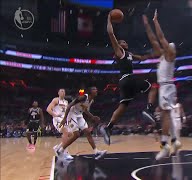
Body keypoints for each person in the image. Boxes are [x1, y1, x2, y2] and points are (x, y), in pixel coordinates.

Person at [101, 11, 159, 145]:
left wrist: (152, 55)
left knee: (123, 107)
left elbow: (142, 58)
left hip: (125, 82)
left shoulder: (129, 54)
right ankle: (149, 109)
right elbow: (111, 34)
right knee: (153, 86)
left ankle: (107, 128)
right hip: (128, 78)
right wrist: (109, 18)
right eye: (123, 42)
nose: (125, 42)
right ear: (119, 45)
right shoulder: (119, 52)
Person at [142, 10, 180, 160]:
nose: (164, 46)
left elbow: (160, 37)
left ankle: (165, 146)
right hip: (165, 88)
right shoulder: (163, 56)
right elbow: (153, 39)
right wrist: (146, 25)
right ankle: (175, 141)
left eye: (167, 46)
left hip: (167, 87)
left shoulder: (170, 55)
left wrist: (155, 21)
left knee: (165, 115)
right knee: (167, 115)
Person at [58, 87, 106, 160]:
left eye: (96, 89)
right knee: (76, 134)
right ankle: (61, 150)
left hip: (79, 115)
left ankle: (96, 152)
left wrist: (92, 117)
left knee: (87, 132)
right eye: (94, 89)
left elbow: (85, 110)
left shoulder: (91, 100)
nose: (96, 90)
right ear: (90, 91)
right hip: (72, 114)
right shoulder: (83, 97)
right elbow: (69, 105)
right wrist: (64, 118)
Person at [46, 88, 73, 158]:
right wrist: (55, 115)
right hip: (57, 119)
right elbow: (48, 109)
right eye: (61, 91)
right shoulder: (56, 100)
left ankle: (58, 147)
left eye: (64, 91)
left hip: (64, 119)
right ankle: (64, 152)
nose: (63, 92)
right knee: (65, 132)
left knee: (72, 135)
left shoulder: (66, 102)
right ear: (58, 93)